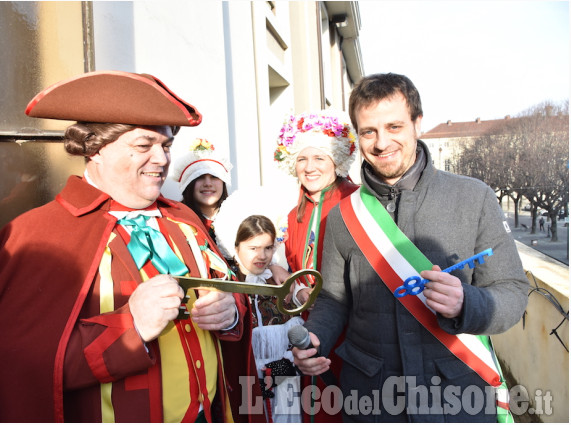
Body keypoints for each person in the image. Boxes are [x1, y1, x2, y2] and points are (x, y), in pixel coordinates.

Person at [0, 71, 264, 423]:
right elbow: (13, 372)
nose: (161, 160)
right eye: (143, 146)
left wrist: (230, 313)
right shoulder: (35, 236)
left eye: (166, 146)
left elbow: (230, 294)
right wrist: (131, 327)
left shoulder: (185, 219)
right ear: (95, 148)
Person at [292, 73, 530, 422]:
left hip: (458, 396)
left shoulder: (473, 196)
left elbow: (513, 291)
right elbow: (333, 300)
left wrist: (467, 302)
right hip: (371, 400)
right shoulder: (343, 215)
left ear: (417, 123)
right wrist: (316, 337)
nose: (381, 142)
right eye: (368, 131)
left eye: (394, 126)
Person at [273, 110, 359, 422]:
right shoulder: (293, 211)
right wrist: (291, 290)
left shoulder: (357, 202)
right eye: (302, 159)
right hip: (304, 334)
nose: (310, 168)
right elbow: (293, 269)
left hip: (348, 335)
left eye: (319, 158)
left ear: (336, 161)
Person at [224, 214, 304, 423]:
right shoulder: (226, 286)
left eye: (268, 248)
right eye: (253, 248)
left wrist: (286, 365)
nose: (262, 255)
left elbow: (300, 337)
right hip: (245, 387)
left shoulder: (282, 283)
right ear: (236, 247)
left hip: (285, 387)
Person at [170, 138, 232, 242]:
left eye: (214, 177)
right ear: (188, 184)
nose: (208, 183)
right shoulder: (177, 221)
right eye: (200, 177)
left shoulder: (236, 217)